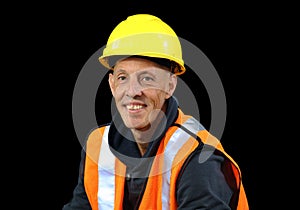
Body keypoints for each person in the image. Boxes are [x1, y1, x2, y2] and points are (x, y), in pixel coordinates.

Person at [63, 14, 249, 210]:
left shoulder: (198, 158)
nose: (133, 91)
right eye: (123, 77)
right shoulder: (98, 146)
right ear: (112, 84)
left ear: (170, 86)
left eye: (147, 79)